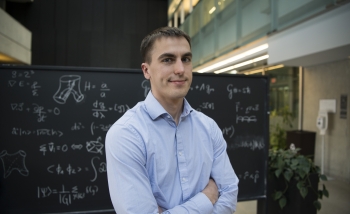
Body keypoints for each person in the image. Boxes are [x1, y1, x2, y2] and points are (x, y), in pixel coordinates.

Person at [105, 27, 239, 214]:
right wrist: (207, 197)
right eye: (168, 60)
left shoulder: (208, 127)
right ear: (146, 70)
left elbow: (230, 194)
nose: (180, 69)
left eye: (186, 59)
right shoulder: (126, 134)